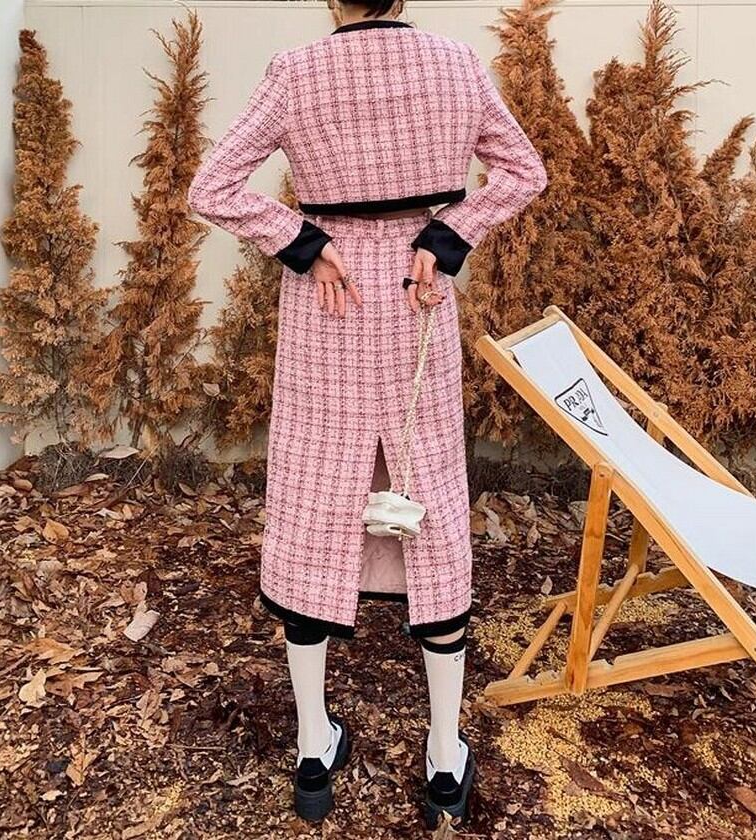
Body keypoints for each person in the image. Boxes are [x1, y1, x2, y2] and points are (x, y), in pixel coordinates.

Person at [187, 0, 547, 828]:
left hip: (331, 303)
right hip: (420, 297)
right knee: (432, 496)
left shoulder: (296, 71)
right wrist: (450, 235)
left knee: (314, 501)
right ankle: (445, 755)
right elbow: (523, 171)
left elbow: (213, 186)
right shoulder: (457, 62)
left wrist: (304, 243)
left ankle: (313, 747)